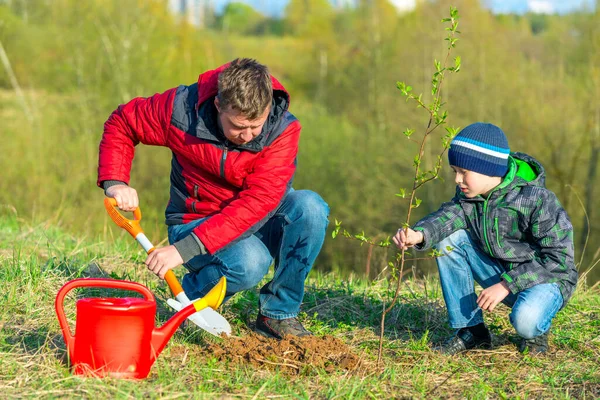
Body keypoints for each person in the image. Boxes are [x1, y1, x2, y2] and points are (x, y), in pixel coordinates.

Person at [97, 58, 329, 339]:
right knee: (250, 263)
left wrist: (181, 252)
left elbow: (259, 201)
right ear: (218, 105)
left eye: (256, 126)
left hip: (255, 214)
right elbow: (123, 122)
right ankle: (190, 300)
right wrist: (116, 181)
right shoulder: (182, 109)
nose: (247, 136)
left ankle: (277, 314)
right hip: (195, 219)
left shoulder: (282, 129)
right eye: (237, 126)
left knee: (310, 208)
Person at [393, 122, 578, 355]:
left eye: (463, 172)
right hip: (502, 277)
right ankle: (472, 331)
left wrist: (506, 285)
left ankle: (536, 333)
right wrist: (419, 234)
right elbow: (447, 218)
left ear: (489, 169)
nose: (457, 180)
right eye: (455, 172)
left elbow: (559, 260)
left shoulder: (538, 200)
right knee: (449, 238)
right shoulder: (469, 196)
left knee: (526, 321)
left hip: (545, 280)